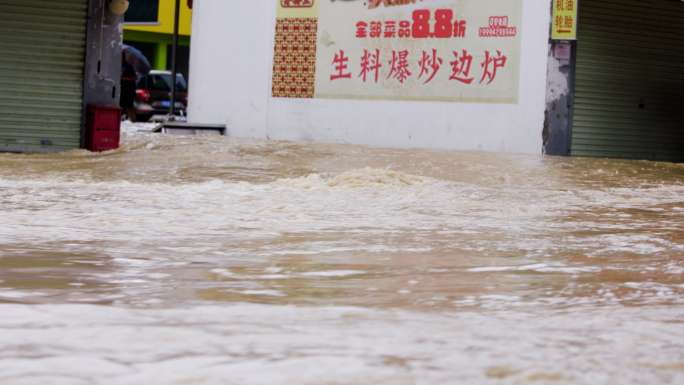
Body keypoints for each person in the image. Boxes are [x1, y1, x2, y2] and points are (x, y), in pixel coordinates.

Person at [120, 53, 138, 122]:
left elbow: (135, 77)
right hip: (121, 90)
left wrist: (124, 78)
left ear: (124, 58)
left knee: (129, 108)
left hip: (128, 91)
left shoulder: (128, 67)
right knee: (120, 108)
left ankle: (134, 122)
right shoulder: (119, 66)